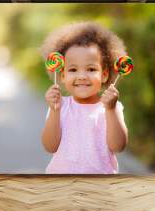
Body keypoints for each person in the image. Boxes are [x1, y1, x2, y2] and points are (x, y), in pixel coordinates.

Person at [40, 22, 128, 174]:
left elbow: (118, 146)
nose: (81, 76)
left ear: (104, 74)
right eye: (73, 69)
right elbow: (50, 146)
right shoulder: (59, 106)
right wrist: (55, 111)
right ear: (62, 75)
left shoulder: (111, 107)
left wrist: (111, 110)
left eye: (91, 69)